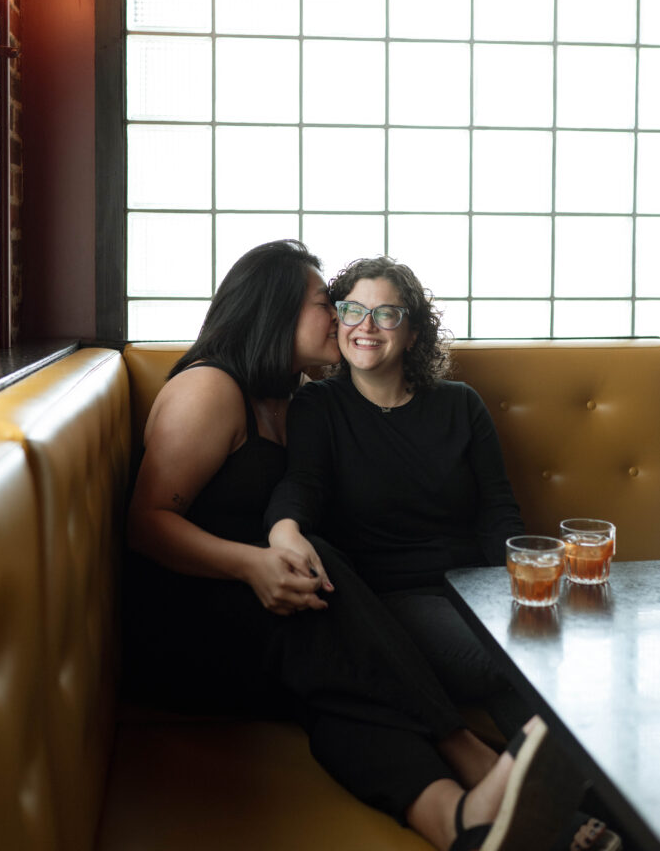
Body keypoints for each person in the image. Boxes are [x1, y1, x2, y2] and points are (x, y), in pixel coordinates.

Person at [124, 239, 586, 851]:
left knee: (336, 692)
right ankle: (468, 752)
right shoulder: (210, 388)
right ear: (278, 309)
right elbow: (144, 523)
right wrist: (257, 561)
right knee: (324, 573)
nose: (345, 319)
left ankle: (458, 822)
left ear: (413, 332)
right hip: (193, 627)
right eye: (332, 304)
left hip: (268, 608)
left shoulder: (288, 397)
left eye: (376, 312)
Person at [265, 255, 622, 851]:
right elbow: (302, 483)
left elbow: (498, 514)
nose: (365, 325)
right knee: (518, 658)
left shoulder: (461, 405)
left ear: (413, 330)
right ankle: (576, 817)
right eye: (352, 309)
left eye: (386, 313)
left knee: (538, 650)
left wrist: (524, 592)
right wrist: (282, 530)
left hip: (474, 589)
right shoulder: (318, 408)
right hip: (391, 605)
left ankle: (600, 815)